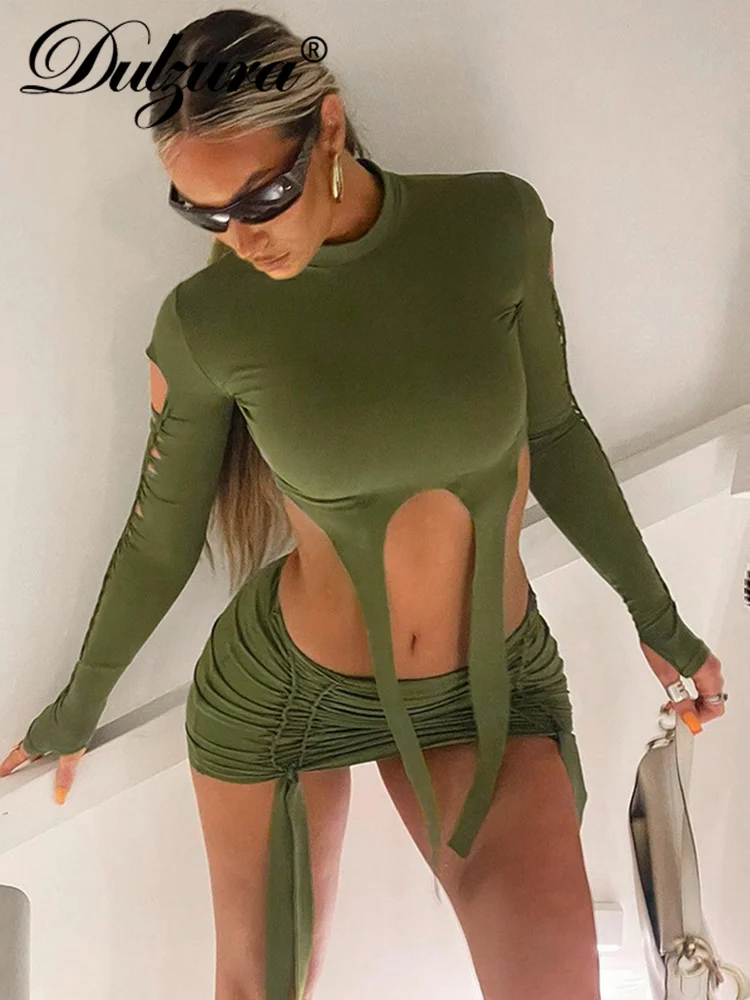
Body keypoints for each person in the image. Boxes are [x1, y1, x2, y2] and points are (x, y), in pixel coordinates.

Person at [1, 9, 729, 1000]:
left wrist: (661, 619)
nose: (242, 239)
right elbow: (160, 533)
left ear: (331, 128)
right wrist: (74, 709)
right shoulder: (207, 322)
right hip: (285, 698)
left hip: (494, 684)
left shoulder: (495, 226)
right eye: (206, 215)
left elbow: (555, 433)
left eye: (262, 196)